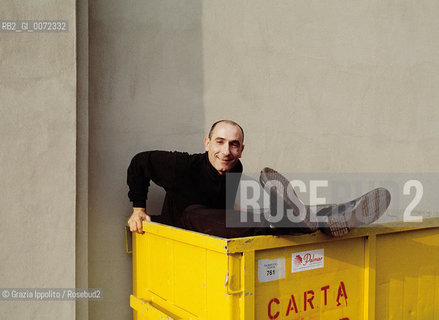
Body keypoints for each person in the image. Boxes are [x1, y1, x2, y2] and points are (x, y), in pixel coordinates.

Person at [127, 120, 391, 238]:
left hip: (214, 222)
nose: (226, 151)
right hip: (184, 229)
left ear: (241, 149)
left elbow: (225, 206)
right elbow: (140, 161)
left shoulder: (235, 167)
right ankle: (295, 222)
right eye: (219, 142)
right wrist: (138, 209)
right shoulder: (181, 166)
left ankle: (337, 213)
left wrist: (244, 212)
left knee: (265, 211)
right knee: (197, 212)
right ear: (207, 143)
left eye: (234, 144)